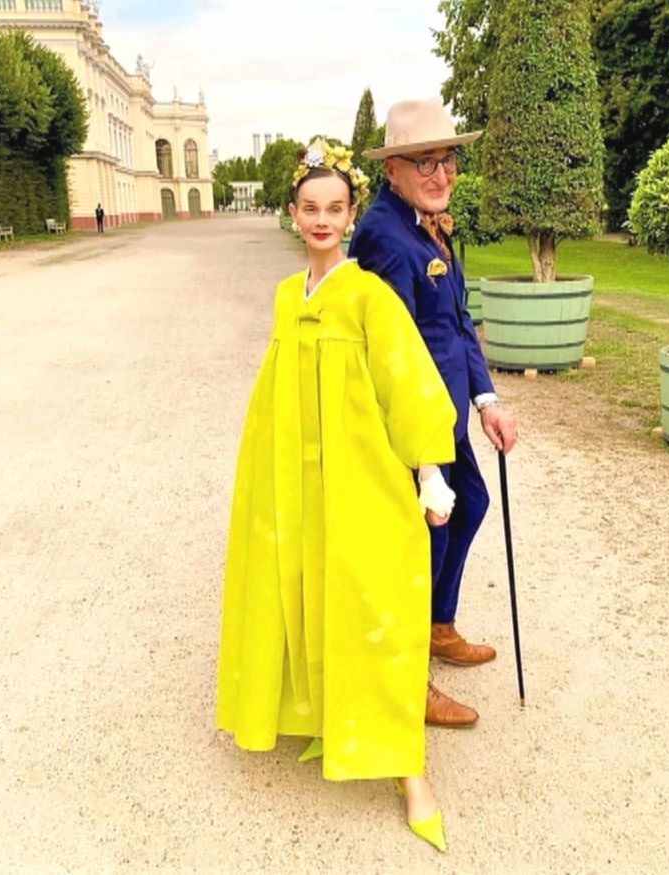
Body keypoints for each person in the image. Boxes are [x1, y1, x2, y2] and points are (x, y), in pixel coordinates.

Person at [216, 139, 461, 852]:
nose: (322, 220)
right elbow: (276, 392)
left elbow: (406, 382)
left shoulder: (368, 296)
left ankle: (409, 770)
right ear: (293, 214)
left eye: (334, 208)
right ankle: (324, 715)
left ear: (352, 215)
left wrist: (429, 471)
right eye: (310, 208)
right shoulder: (285, 297)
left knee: (374, 603)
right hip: (294, 479)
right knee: (302, 592)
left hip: (359, 477)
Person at [350, 99, 519, 727]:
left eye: (447, 160)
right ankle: (408, 675)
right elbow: (393, 350)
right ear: (392, 169)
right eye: (425, 162)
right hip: (415, 425)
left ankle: (437, 626)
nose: (442, 174)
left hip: (447, 414)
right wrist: (420, 456)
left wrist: (486, 400)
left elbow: (456, 321)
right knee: (422, 536)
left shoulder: (427, 223)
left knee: (470, 504)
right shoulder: (384, 236)